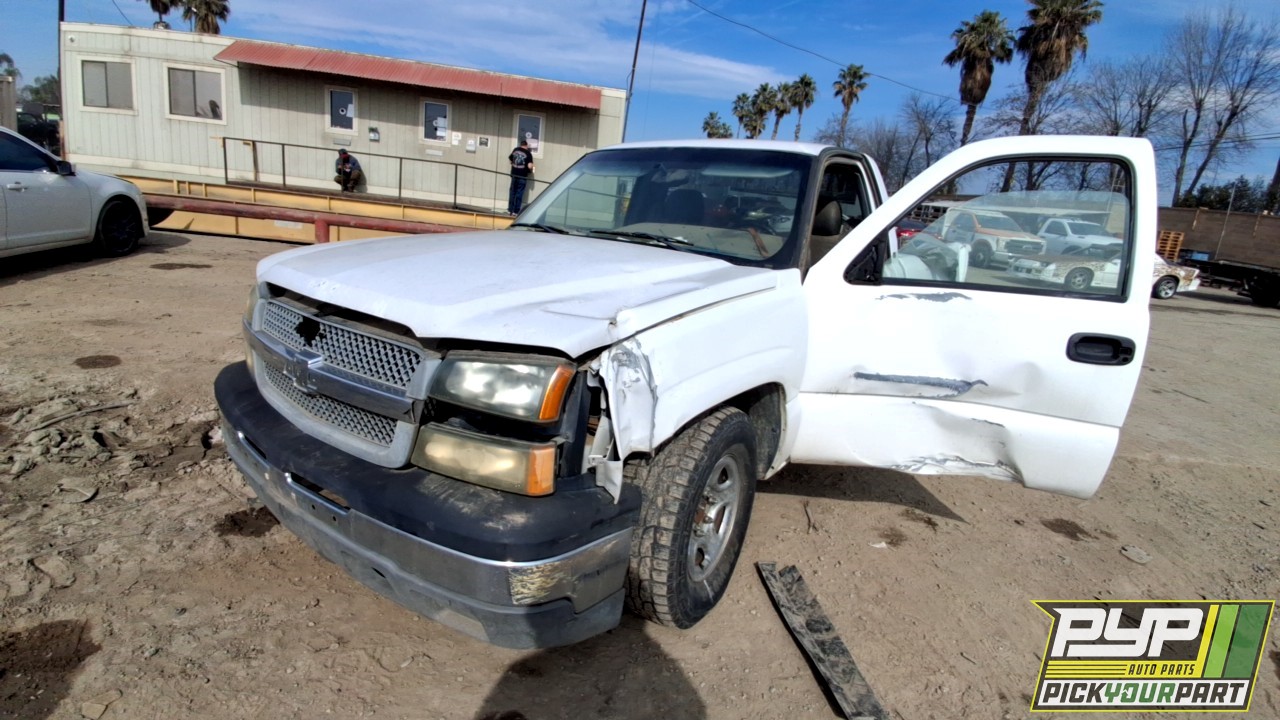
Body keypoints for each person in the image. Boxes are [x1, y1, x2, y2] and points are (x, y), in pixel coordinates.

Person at [507, 139, 535, 215]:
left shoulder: (515, 150)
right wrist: (532, 167)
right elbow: (529, 166)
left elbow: (510, 160)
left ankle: (510, 210)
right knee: (519, 193)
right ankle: (516, 211)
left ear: (520, 145)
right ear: (526, 146)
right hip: (522, 176)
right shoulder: (528, 153)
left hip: (514, 174)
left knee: (512, 192)